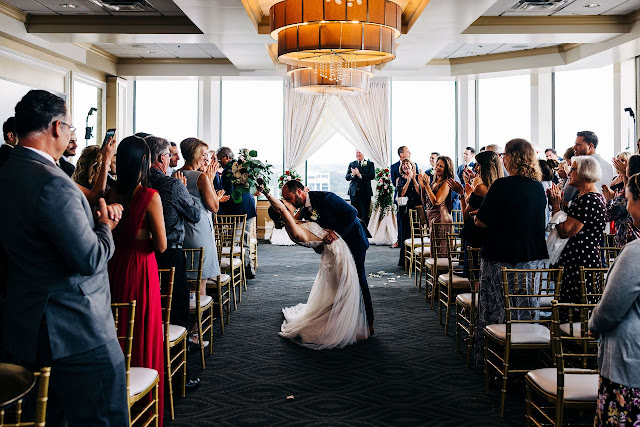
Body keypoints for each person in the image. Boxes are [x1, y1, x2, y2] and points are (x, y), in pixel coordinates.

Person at [0, 89, 128, 425]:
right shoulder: (53, 183)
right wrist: (105, 226)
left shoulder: (8, 172)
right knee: (103, 417)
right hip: (75, 330)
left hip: (25, 327)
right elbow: (88, 258)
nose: (71, 133)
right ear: (57, 127)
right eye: (70, 128)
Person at [105, 135, 167, 425]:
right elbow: (162, 246)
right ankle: (144, 404)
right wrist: (143, 235)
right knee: (142, 328)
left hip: (112, 267)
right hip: (141, 269)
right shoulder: (149, 196)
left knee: (115, 329)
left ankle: (113, 399)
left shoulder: (110, 192)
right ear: (144, 162)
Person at [473, 138, 548, 366]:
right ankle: (524, 360)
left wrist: (477, 217)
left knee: (497, 307)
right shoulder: (538, 187)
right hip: (530, 257)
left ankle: (495, 361)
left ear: (513, 157)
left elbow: (482, 222)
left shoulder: (501, 186)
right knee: (525, 306)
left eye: (505, 154)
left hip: (501, 255)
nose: (502, 158)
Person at [262, 189, 369, 349]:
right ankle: (341, 328)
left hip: (336, 252)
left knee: (338, 293)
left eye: (288, 199)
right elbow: (284, 211)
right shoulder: (292, 226)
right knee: (342, 292)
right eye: (285, 202)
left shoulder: (295, 221)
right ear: (281, 211)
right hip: (336, 258)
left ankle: (349, 323)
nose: (289, 203)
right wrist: (266, 194)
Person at [146, 136, 203, 390]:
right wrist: (186, 193)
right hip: (170, 253)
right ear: (161, 158)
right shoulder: (171, 185)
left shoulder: (134, 182)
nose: (171, 159)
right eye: (169, 155)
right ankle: (179, 376)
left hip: (141, 255)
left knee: (149, 312)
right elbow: (194, 215)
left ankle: (149, 367)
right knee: (176, 311)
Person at [282, 179, 375, 335]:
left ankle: (369, 323)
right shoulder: (305, 208)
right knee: (339, 281)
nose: (288, 201)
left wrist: (336, 232)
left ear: (299, 192)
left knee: (359, 279)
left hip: (354, 240)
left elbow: (352, 212)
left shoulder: (326, 198)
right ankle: (344, 317)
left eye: (289, 198)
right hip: (338, 249)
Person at [589, 173, 640, 425]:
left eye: (629, 199)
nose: (627, 206)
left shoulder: (636, 252)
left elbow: (610, 309)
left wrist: (592, 325)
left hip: (631, 364)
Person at [548, 155, 606, 321]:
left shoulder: (589, 199)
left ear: (584, 172)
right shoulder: (586, 196)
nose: (569, 172)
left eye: (572, 169)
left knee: (576, 306)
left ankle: (574, 345)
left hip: (581, 260)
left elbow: (567, 230)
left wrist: (556, 206)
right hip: (579, 257)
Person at [179, 138, 224, 305]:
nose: (206, 159)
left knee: (184, 278)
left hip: (182, 231)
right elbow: (214, 206)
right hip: (200, 231)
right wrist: (210, 180)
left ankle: (185, 318)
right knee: (200, 280)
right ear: (195, 155)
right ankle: (197, 327)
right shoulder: (201, 177)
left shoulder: (174, 174)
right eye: (204, 155)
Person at [448, 151, 503, 274]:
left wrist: (461, 193)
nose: (476, 168)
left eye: (478, 164)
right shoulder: (501, 187)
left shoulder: (481, 188)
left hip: (476, 234)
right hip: (492, 236)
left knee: (473, 274)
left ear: (486, 166)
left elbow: (466, 215)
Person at [217, 146, 257, 278]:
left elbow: (228, 192)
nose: (218, 161)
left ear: (227, 157)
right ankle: (245, 267)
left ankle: (245, 268)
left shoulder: (229, 170)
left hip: (238, 208)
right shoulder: (244, 167)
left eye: (220, 158)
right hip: (248, 206)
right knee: (243, 238)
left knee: (239, 240)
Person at [602, 152, 640, 247]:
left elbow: (608, 215)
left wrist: (609, 200)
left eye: (625, 163)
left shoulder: (631, 190)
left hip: (631, 240)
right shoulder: (626, 187)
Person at [395, 159, 422, 267]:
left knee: (416, 234)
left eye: (408, 164)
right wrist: (407, 181)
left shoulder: (417, 178)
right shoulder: (399, 179)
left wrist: (413, 179)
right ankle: (405, 261)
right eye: (404, 164)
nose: (405, 166)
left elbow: (419, 192)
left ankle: (417, 261)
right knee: (405, 234)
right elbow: (401, 193)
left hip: (416, 209)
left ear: (412, 166)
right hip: (404, 210)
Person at [571, 130, 615, 196]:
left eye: (578, 145)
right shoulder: (608, 166)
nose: (574, 147)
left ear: (590, 146)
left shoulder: (582, 165)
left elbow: (570, 191)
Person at [390, 146, 417, 248]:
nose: (410, 153)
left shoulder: (414, 166)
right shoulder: (394, 167)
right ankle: (400, 240)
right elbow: (394, 183)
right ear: (401, 154)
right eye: (408, 152)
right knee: (401, 222)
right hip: (401, 199)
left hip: (413, 200)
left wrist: (411, 178)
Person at [346, 149, 375, 225]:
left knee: (365, 215)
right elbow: (347, 177)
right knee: (355, 214)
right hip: (354, 193)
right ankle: (356, 233)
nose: (358, 154)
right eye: (357, 153)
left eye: (359, 152)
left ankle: (365, 234)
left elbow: (372, 175)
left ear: (363, 153)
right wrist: (353, 174)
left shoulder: (370, 164)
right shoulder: (352, 164)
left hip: (365, 193)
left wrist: (360, 175)